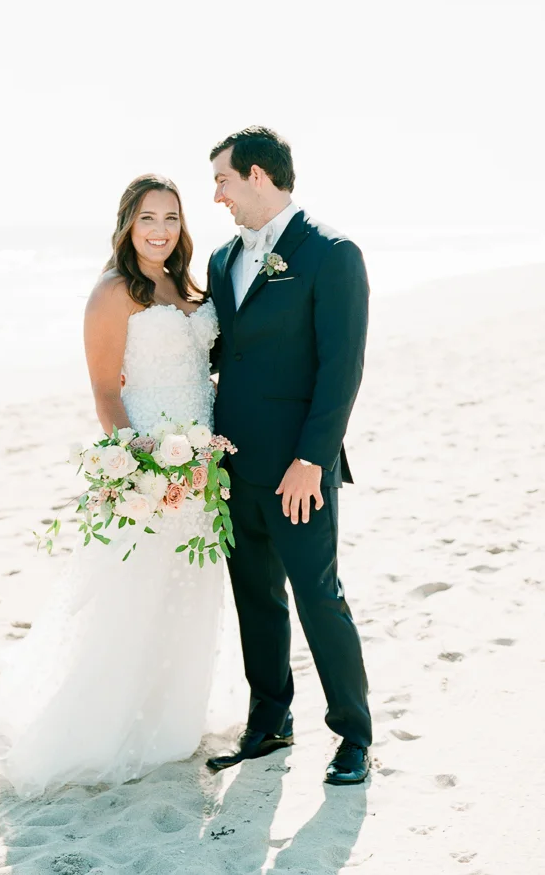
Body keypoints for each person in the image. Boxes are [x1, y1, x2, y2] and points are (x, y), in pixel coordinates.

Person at [0, 175, 228, 797]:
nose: (160, 230)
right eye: (147, 219)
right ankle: (98, 725)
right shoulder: (112, 292)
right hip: (155, 462)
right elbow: (107, 393)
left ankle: (172, 717)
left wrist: (207, 454)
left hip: (206, 460)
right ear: (126, 226)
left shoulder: (188, 287)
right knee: (133, 592)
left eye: (170, 218)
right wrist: (145, 462)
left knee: (187, 589)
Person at [205, 126, 372, 785]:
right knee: (257, 599)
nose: (216, 195)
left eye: (222, 179)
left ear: (256, 175)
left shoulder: (331, 255)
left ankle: (354, 734)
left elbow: (341, 368)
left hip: (299, 470)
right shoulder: (222, 262)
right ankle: (270, 720)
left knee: (317, 598)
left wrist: (312, 459)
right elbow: (220, 356)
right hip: (231, 465)